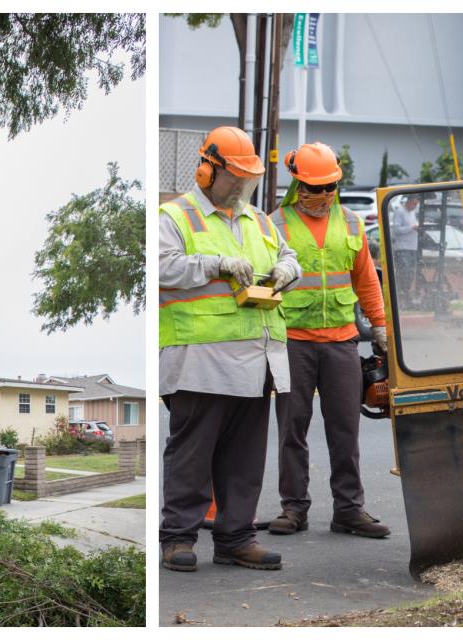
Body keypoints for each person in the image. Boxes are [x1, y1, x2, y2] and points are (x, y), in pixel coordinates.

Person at [158, 125, 300, 572]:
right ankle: (178, 538)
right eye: (234, 177)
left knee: (244, 459)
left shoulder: (257, 219)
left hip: (257, 362)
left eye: (248, 179)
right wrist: (215, 264)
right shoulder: (174, 217)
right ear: (207, 170)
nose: (241, 186)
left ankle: (236, 537)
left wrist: (284, 270)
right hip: (199, 361)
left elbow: (288, 255)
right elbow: (162, 266)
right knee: (192, 455)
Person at [265, 143, 393, 539]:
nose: (322, 196)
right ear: (297, 183)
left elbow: (367, 282)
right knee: (292, 430)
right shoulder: (273, 225)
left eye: (330, 187)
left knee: (345, 430)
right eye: (314, 188)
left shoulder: (352, 224)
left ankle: (349, 510)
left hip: (342, 342)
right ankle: (294, 508)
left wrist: (381, 327)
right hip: (292, 342)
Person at [388, 194, 422, 298]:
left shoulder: (412, 213)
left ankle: (405, 292)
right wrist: (412, 228)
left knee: (411, 272)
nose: (415, 206)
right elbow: (396, 229)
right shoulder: (400, 211)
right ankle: (400, 292)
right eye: (414, 204)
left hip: (413, 247)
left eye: (417, 204)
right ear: (409, 201)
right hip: (402, 248)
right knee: (404, 271)